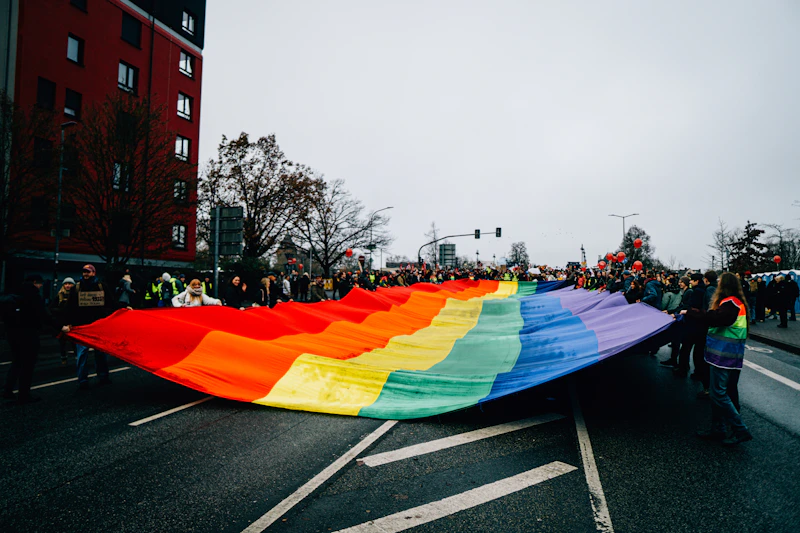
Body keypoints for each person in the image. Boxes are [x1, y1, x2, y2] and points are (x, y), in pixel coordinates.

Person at [682, 272, 753, 446]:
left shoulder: (730, 304)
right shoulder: (737, 303)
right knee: (721, 393)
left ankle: (740, 429)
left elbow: (714, 318)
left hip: (723, 356)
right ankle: (718, 429)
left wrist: (691, 312)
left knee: (718, 393)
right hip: (731, 354)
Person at [3, 275, 53, 404]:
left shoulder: (15, 292)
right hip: (29, 334)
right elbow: (44, 315)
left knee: (16, 362)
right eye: (40, 284)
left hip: (12, 334)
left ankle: (7, 390)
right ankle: (23, 394)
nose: (41, 286)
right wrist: (60, 327)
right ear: (35, 282)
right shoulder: (33, 295)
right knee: (28, 365)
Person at [62, 264, 114, 390]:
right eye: (84, 272)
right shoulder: (77, 288)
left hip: (98, 326)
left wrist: (121, 309)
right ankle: (82, 380)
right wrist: (68, 322)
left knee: (100, 353)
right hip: (82, 326)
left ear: (94, 273)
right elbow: (70, 307)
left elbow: (111, 302)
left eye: (88, 272)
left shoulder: (102, 286)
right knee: (82, 354)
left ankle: (103, 376)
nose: (86, 274)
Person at [53, 277, 76, 365]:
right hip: (62, 322)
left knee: (74, 341)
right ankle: (63, 358)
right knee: (62, 342)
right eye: (66, 284)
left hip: (72, 322)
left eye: (70, 284)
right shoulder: (59, 296)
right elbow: (52, 307)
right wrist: (60, 310)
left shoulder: (76, 295)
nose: (67, 285)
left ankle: (77, 357)